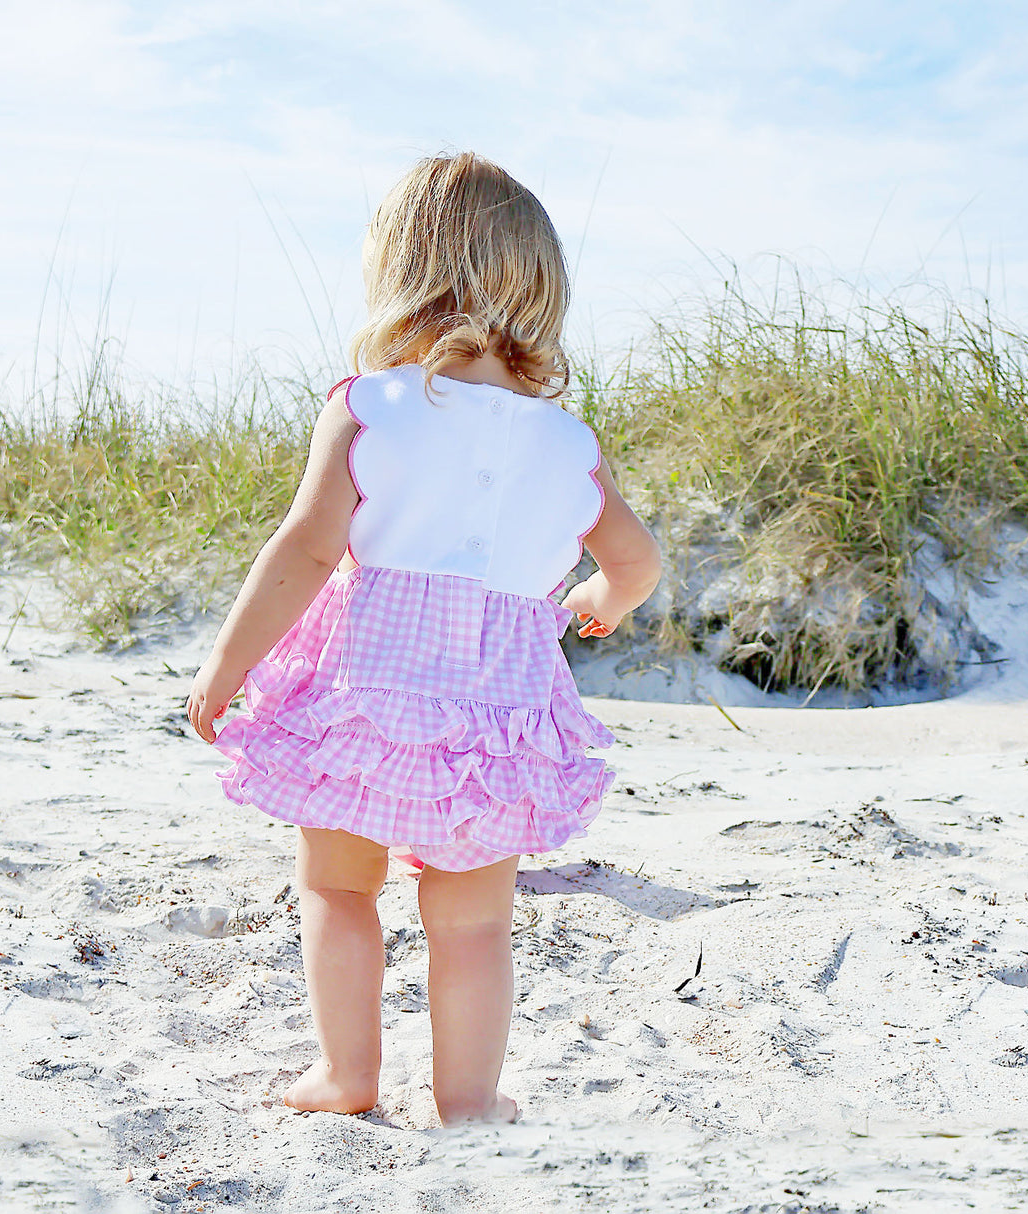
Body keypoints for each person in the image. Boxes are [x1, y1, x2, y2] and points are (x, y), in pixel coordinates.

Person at [186, 152, 661, 1126]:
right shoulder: (565, 442)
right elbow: (637, 560)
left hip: (368, 689)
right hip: (498, 711)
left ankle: (345, 1072)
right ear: (538, 289)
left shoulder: (367, 406)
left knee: (336, 884)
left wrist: (228, 665)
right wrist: (599, 603)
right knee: (475, 920)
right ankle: (467, 1102)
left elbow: (308, 548)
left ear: (397, 273)